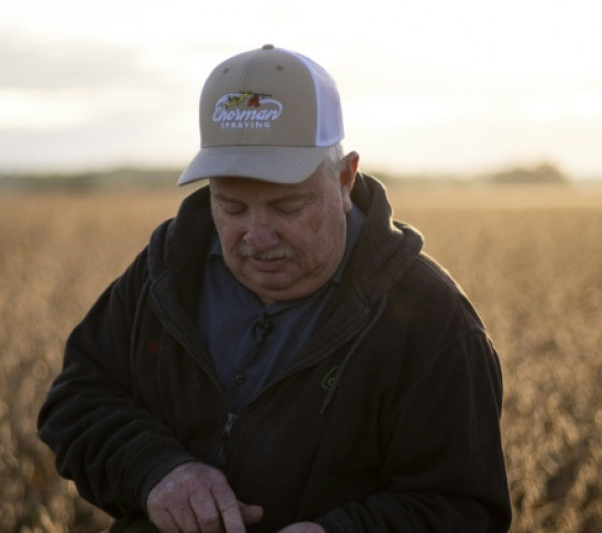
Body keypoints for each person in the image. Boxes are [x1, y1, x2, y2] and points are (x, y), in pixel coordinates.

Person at [37, 44, 511, 532]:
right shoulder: (166, 273)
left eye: (287, 207)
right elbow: (77, 399)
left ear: (345, 180)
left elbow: (465, 508)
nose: (257, 238)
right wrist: (157, 470)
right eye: (232, 207)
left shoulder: (432, 320)